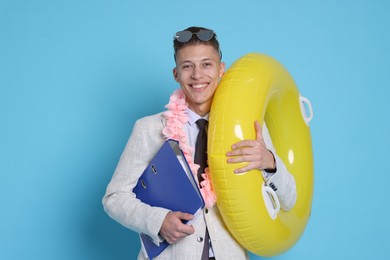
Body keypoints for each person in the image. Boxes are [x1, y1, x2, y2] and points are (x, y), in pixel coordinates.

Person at [102, 26, 297, 260]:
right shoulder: (149, 129)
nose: (197, 75)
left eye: (206, 64)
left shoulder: (249, 128)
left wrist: (269, 162)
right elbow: (114, 198)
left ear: (221, 69)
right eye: (187, 66)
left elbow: (290, 199)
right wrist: (158, 221)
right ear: (176, 74)